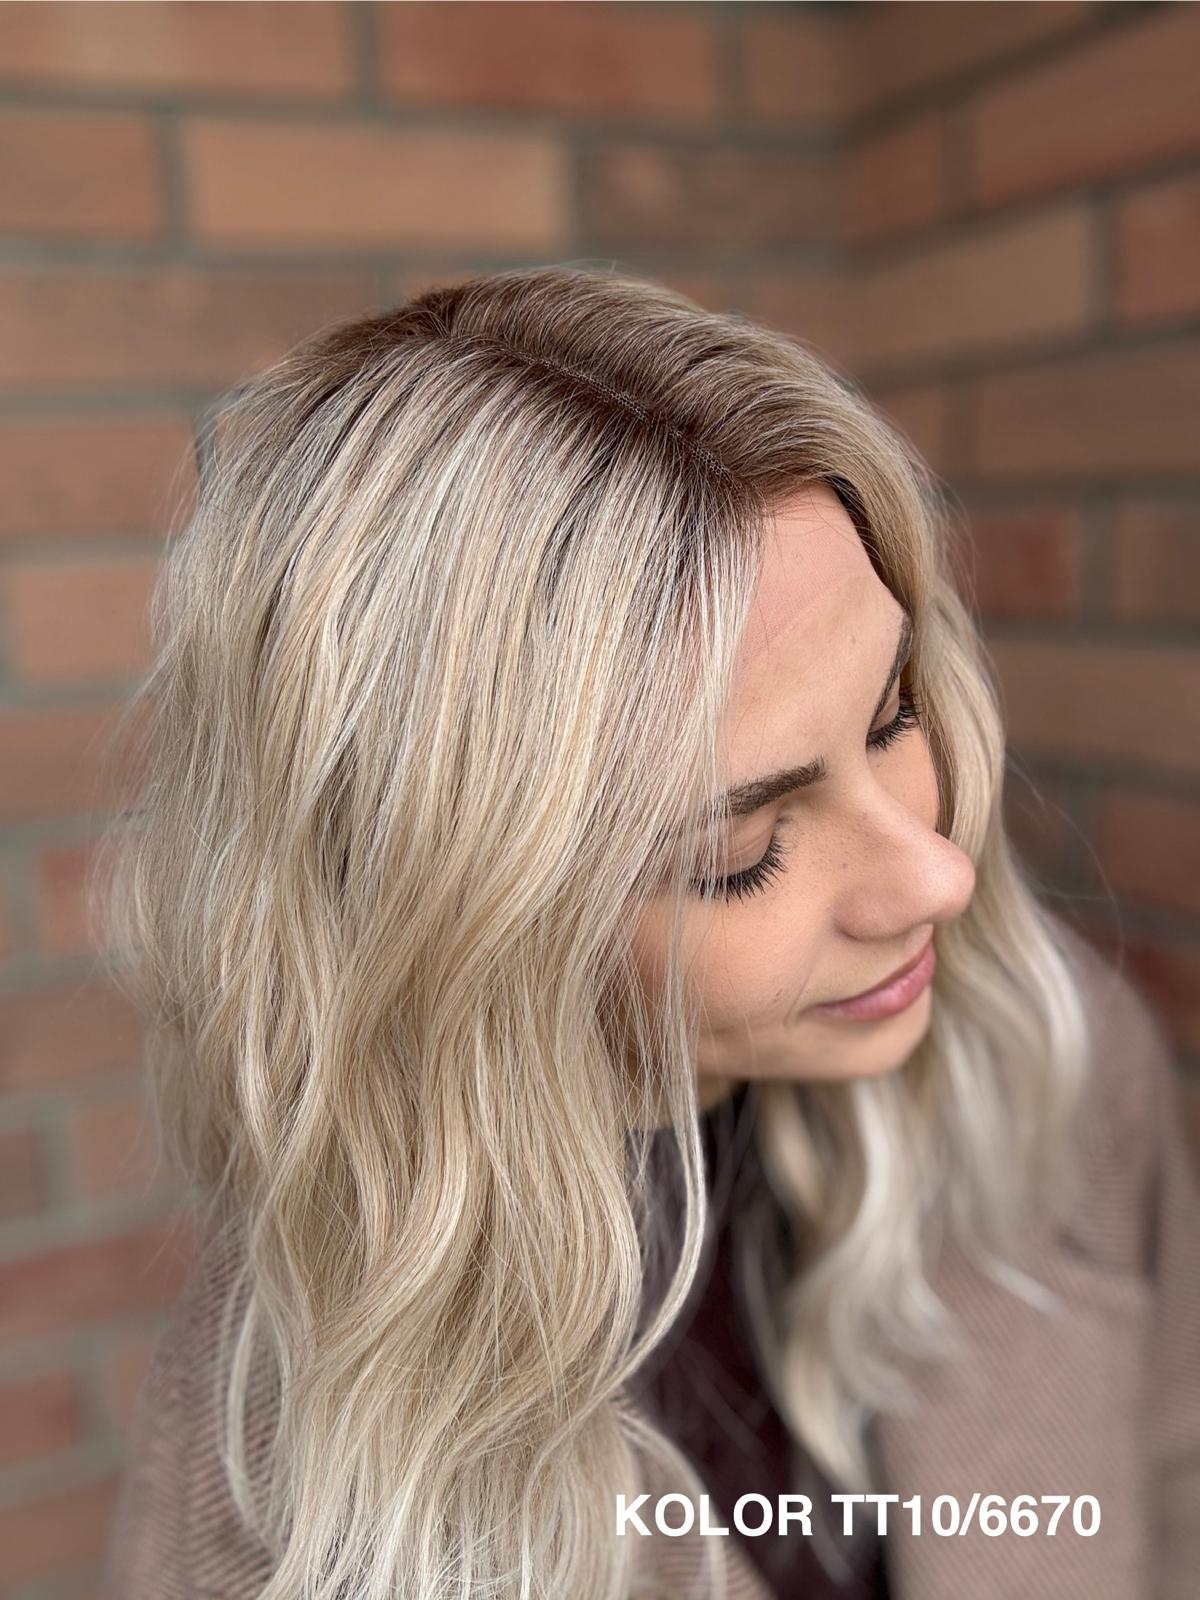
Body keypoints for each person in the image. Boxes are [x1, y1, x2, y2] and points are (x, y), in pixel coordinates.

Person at [95, 265, 1198, 1600]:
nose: (935, 880)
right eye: (739, 852)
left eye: (896, 712)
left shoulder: (1053, 1065)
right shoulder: (265, 1488)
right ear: (462, 933)